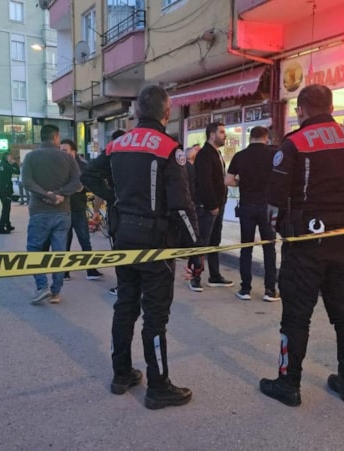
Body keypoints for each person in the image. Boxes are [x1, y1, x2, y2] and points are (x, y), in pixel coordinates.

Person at [260, 84, 344, 407]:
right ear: (332, 107)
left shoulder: (294, 143)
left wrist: (282, 230)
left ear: (301, 110)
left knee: (296, 317)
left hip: (305, 245)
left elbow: (275, 198)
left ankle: (289, 384)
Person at [107, 85, 202, 410]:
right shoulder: (169, 148)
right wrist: (195, 251)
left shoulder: (117, 145)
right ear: (167, 113)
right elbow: (182, 206)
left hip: (124, 238)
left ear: (136, 113)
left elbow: (91, 176)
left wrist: (117, 202)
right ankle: (158, 387)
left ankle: (121, 374)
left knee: (125, 306)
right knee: (155, 317)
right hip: (156, 244)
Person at [22, 124, 83, 305]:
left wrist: (46, 195)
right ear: (56, 138)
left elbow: (27, 182)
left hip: (39, 211)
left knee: (34, 249)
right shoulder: (68, 158)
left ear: (41, 137)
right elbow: (77, 182)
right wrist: (59, 194)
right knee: (59, 253)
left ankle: (42, 286)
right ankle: (56, 292)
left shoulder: (31, 157)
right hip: (62, 211)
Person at [225, 126, 280, 302]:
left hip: (247, 205)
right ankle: (270, 290)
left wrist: (241, 183)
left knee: (246, 247)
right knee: (269, 248)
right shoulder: (274, 154)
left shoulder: (240, 156)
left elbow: (228, 180)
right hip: (268, 207)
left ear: (250, 137)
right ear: (266, 137)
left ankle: (245, 289)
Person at [81, 128, 126, 297]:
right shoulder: (137, 156)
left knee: (120, 249)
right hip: (141, 211)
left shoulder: (110, 156)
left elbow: (88, 176)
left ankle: (123, 285)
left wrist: (109, 196)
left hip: (117, 211)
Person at [191, 122, 233, 292]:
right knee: (202, 242)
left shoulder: (217, 153)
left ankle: (214, 275)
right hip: (207, 207)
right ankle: (195, 276)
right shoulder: (205, 154)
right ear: (212, 134)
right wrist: (212, 205)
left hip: (219, 205)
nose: (225, 135)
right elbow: (204, 182)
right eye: (222, 132)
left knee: (215, 241)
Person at [60, 138, 104, 282]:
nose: (62, 153)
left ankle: (90, 270)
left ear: (73, 151)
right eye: (60, 150)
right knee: (64, 241)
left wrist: (83, 188)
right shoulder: (58, 166)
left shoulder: (83, 166)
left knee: (84, 239)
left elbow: (91, 184)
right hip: (63, 208)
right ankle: (64, 271)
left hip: (78, 208)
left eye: (65, 150)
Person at [0, 153, 20, 234]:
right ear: (7, 158)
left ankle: (8, 225)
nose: (11, 158)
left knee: (6, 207)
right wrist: (14, 163)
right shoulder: (8, 166)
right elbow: (18, 172)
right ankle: (1, 227)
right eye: (10, 157)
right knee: (6, 208)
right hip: (6, 189)